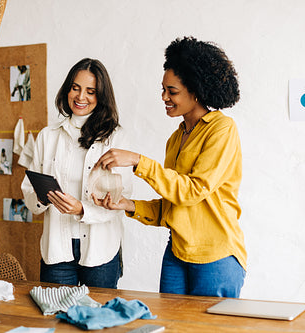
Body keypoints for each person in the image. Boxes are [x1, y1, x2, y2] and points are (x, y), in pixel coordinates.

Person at [93, 37, 247, 298]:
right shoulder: (175, 139)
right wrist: (127, 205)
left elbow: (193, 191)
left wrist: (138, 161)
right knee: (170, 324)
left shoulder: (222, 129)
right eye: (163, 89)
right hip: (177, 251)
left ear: (195, 90)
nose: (164, 97)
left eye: (172, 91)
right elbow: (173, 206)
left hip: (216, 256)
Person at [21, 58, 132, 288]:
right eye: (75, 88)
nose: (81, 97)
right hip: (57, 250)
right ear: (67, 89)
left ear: (101, 96)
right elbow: (29, 191)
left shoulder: (115, 138)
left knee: (100, 319)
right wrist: (43, 196)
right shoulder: (47, 136)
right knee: (58, 317)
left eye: (90, 91)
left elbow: (122, 198)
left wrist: (83, 210)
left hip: (100, 250)